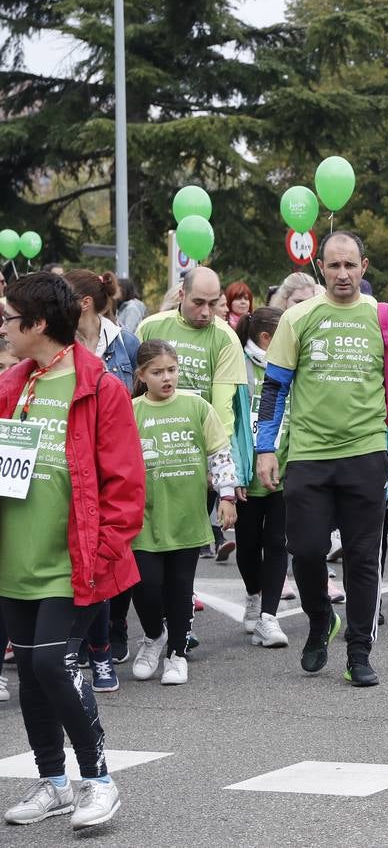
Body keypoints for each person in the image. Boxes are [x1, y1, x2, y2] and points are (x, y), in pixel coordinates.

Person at [0, 272, 145, 830]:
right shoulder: (13, 385)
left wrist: (104, 553)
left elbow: (126, 486)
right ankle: (54, 783)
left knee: (52, 664)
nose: (4, 329)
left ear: (38, 324)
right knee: (32, 678)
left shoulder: (101, 388)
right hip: (16, 559)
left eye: (10, 319)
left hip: (76, 562)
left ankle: (99, 780)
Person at [255, 231, 388, 688]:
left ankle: (359, 651)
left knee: (363, 558)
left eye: (350, 265)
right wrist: (265, 447)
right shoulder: (299, 317)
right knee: (305, 549)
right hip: (308, 455)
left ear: (364, 267)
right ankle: (319, 618)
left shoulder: (385, 318)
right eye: (334, 266)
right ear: (321, 268)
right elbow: (275, 388)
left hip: (365, 454)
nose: (343, 274)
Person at [128, 340, 240, 685]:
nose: (167, 378)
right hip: (143, 517)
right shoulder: (130, 410)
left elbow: (219, 453)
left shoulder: (196, 406)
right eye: (158, 372)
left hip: (186, 514)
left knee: (179, 587)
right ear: (142, 375)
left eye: (172, 370)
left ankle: (176, 653)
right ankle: (153, 636)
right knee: (144, 586)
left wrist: (226, 496)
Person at [135, 267, 248, 562]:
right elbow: (133, 392)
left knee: (186, 544)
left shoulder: (226, 338)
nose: (207, 312)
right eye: (198, 302)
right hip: (149, 450)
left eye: (213, 303)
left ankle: (183, 597)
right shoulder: (150, 327)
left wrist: (219, 467)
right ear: (181, 295)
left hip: (192, 453)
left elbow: (223, 407)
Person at [65, 269, 141, 691]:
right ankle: (80, 649)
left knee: (109, 559)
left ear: (85, 303)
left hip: (112, 463)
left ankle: (108, 643)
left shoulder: (126, 345)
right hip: (72, 465)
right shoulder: (59, 348)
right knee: (78, 563)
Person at [234, 307, 290, 647]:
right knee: (248, 546)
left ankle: (268, 616)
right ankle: (253, 595)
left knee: (278, 543)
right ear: (267, 338)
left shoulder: (289, 365)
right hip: (247, 468)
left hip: (284, 467)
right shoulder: (239, 363)